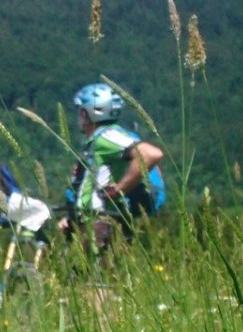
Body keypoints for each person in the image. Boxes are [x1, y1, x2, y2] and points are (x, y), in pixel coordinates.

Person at [58, 82, 164, 250]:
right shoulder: (100, 139)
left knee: (95, 275)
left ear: (86, 113)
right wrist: (71, 218)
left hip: (101, 223)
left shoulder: (107, 136)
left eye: (80, 111)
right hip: (95, 221)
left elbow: (151, 154)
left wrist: (120, 189)